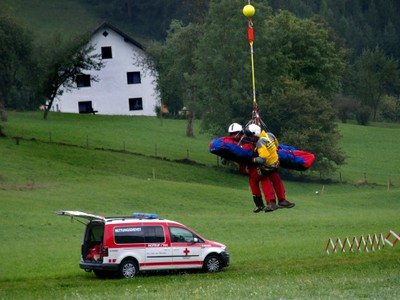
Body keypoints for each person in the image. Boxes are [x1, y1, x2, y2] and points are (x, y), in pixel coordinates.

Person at [225, 123, 276, 213]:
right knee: (256, 180)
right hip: (246, 166)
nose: (234, 136)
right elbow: (225, 159)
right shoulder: (230, 144)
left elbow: (258, 151)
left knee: (260, 179)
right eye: (232, 134)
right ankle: (264, 203)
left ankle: (268, 202)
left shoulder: (249, 140)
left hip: (254, 165)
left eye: (236, 133)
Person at [246, 123, 295, 212]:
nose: (250, 139)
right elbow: (276, 144)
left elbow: (262, 159)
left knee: (258, 178)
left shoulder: (260, 143)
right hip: (276, 164)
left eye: (251, 136)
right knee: (276, 178)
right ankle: (281, 200)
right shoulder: (269, 135)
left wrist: (252, 160)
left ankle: (269, 202)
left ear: (255, 134)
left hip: (267, 167)